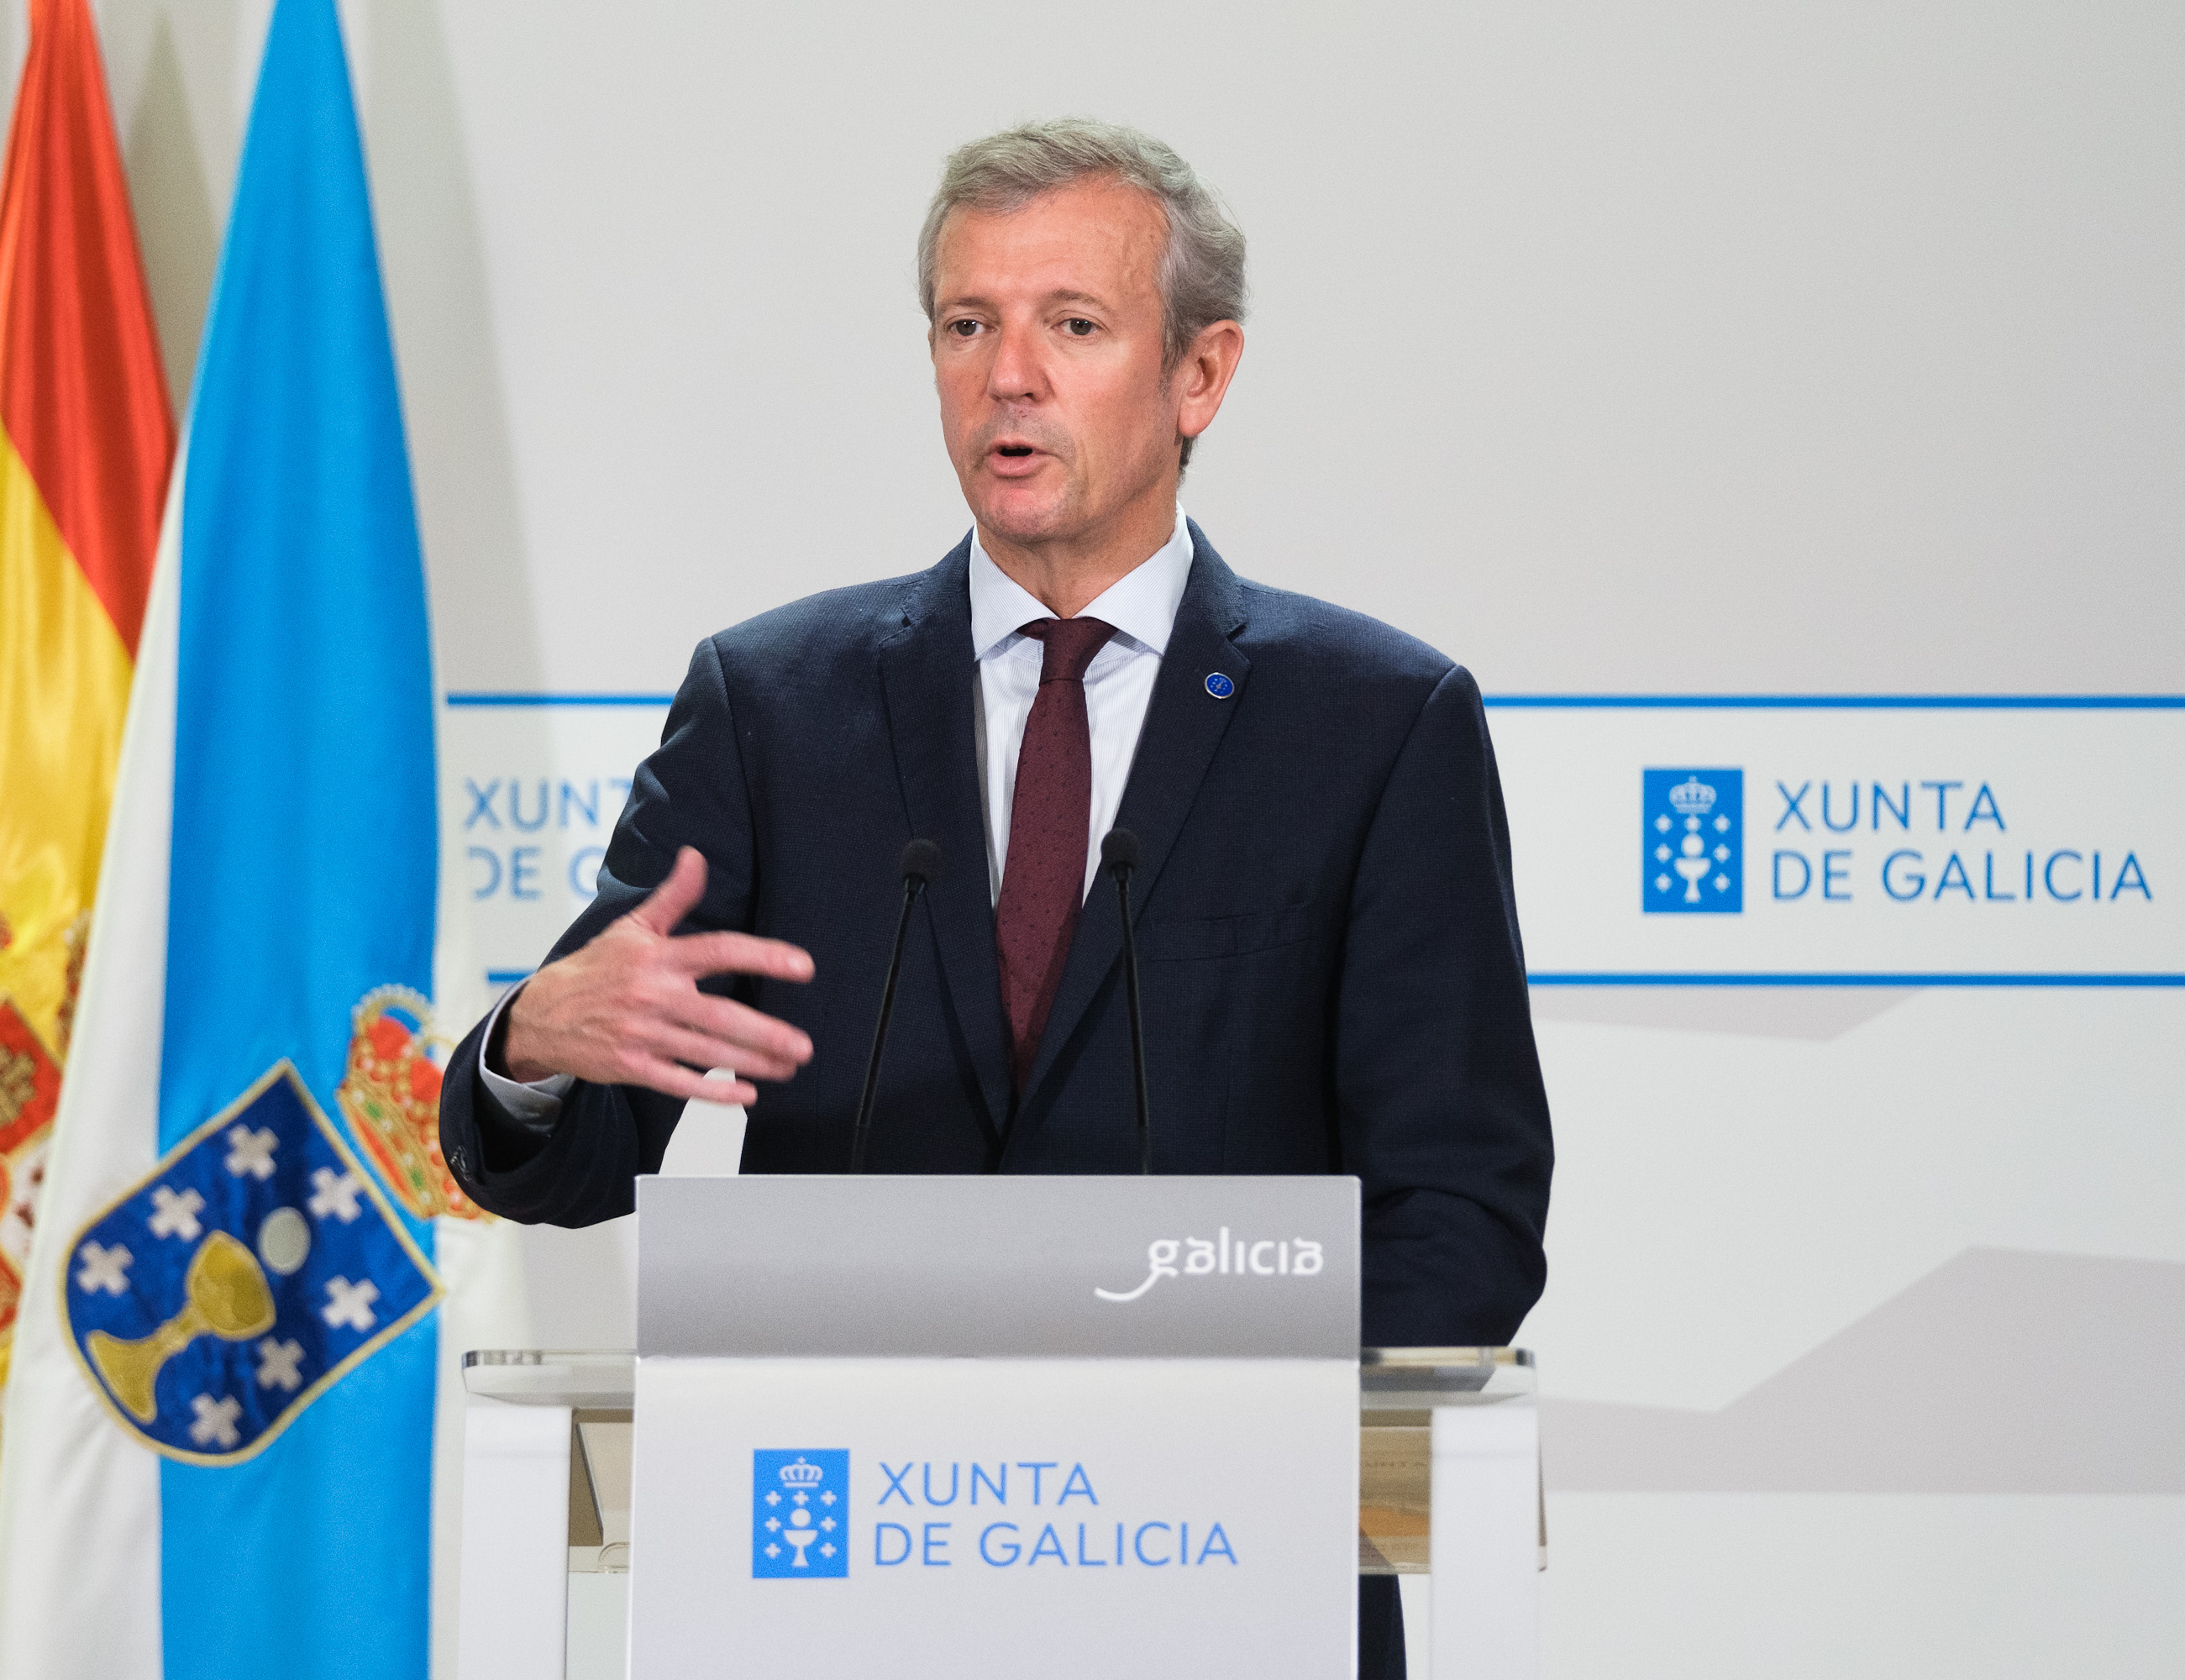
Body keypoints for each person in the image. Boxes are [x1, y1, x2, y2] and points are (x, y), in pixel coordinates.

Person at [439, 118, 1552, 1676]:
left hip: (1221, 1599)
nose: (1008, 377)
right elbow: (577, 1155)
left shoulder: (1375, 725)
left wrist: (1189, 1458)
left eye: (1072, 326)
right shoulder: (775, 707)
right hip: (833, 1589)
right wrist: (532, 1052)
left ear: (1202, 374)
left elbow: (1466, 1213)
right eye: (968, 326)